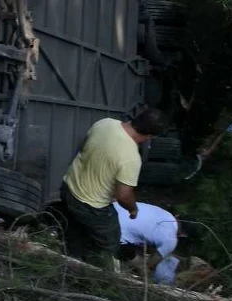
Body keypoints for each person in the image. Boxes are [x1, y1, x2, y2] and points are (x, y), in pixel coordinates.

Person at [60, 108, 164, 267]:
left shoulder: (105, 123)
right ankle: (106, 276)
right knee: (110, 242)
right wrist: (133, 209)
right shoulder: (131, 158)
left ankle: (70, 262)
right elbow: (123, 195)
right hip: (92, 207)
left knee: (75, 233)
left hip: (68, 188)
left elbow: (84, 149)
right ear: (149, 136)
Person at [113, 201, 181, 284]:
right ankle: (145, 286)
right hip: (115, 232)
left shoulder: (167, 214)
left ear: (177, 217)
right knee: (143, 267)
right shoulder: (171, 241)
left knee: (138, 251)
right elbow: (150, 264)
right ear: (184, 234)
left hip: (110, 209)